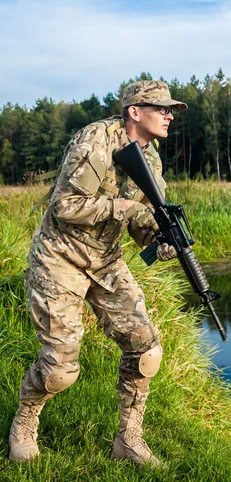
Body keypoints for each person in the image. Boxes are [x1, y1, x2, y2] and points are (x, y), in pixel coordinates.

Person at [9, 80, 187, 467]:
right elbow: (65, 206)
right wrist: (124, 209)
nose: (170, 115)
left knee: (146, 349)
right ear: (135, 112)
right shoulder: (95, 140)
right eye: (162, 108)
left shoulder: (151, 157)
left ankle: (128, 440)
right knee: (60, 369)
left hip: (105, 260)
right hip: (60, 259)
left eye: (171, 110)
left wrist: (161, 237)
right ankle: (25, 422)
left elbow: (142, 224)